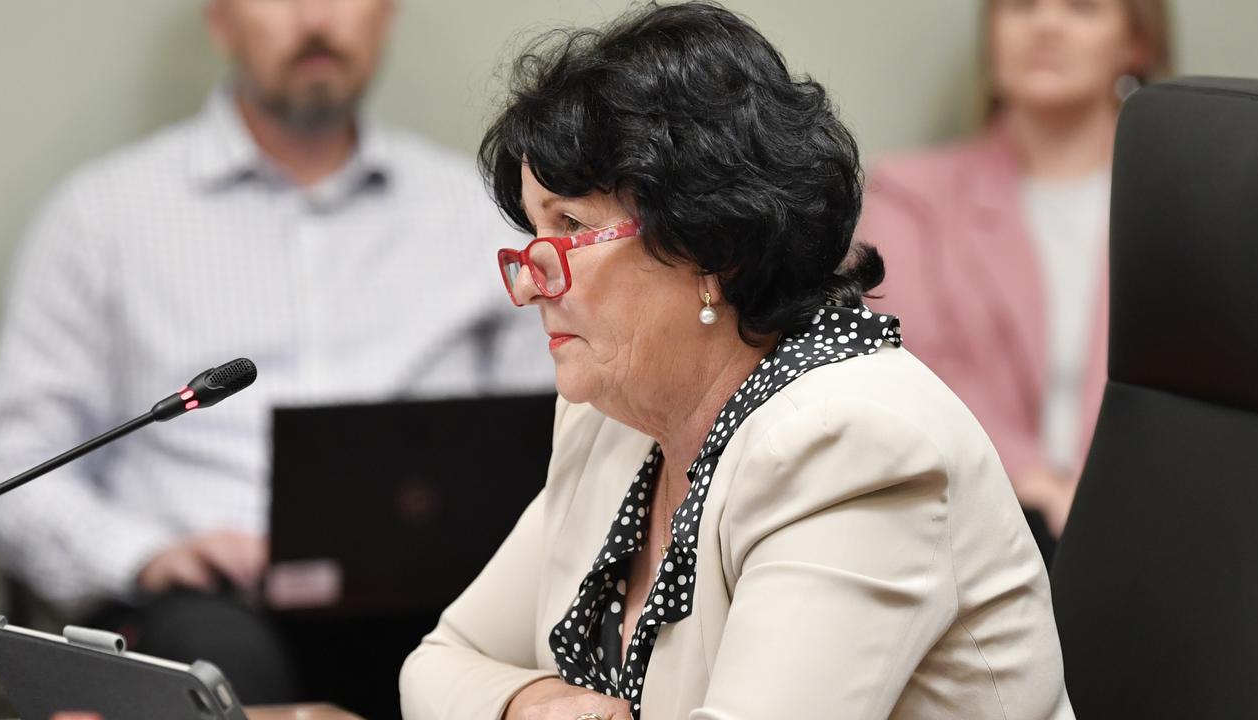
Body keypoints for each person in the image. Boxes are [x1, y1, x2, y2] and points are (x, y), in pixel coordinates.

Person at [399, 4, 1072, 718]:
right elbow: (439, 664)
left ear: (712, 248)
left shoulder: (851, 443)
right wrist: (528, 703)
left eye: (569, 227)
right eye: (532, 232)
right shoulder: (613, 413)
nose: (530, 279)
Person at [0, 0, 551, 704]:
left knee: (490, 657)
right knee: (219, 664)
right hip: (206, 607)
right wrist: (142, 555)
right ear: (220, 19)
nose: (316, 19)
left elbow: (556, 437)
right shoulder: (100, 220)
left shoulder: (475, 216)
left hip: (431, 593)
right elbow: (15, 463)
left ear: (387, 15)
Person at [856, 0, 1173, 554]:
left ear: (1136, 43)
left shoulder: (1185, 205)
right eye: (1021, 5)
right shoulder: (909, 195)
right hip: (974, 524)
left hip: (1153, 531)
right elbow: (907, 367)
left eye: (1082, 7)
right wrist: (1037, 483)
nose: (1045, 24)